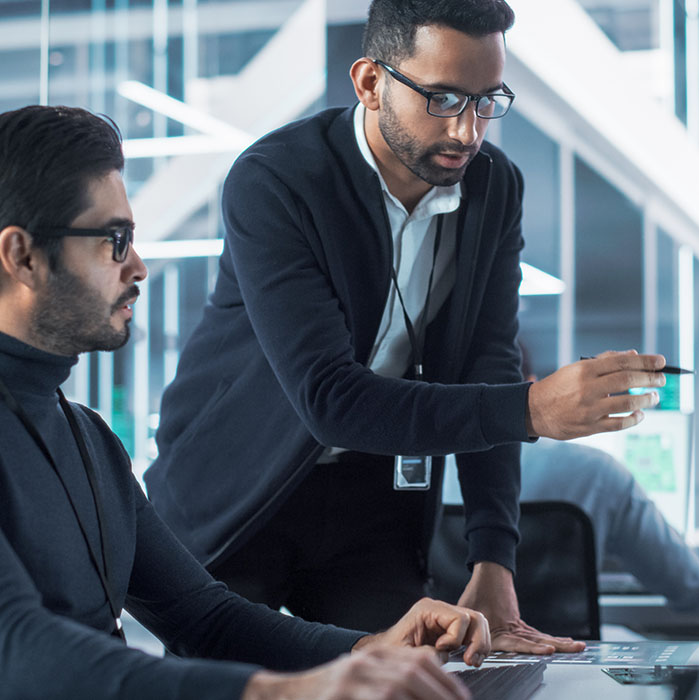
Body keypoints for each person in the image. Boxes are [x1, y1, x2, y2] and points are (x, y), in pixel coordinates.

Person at [145, 0, 665, 652]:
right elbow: (329, 400)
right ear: (370, 82)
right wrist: (533, 410)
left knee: (408, 679)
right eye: (444, 99)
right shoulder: (277, 179)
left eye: (487, 100)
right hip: (237, 494)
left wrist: (493, 560)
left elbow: (489, 363)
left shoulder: (493, 188)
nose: (469, 131)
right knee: (243, 685)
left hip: (372, 504)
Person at [0, 103, 493, 700]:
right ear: (21, 255)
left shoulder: (88, 439)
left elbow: (204, 617)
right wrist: (283, 693)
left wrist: (369, 649)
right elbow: (18, 649)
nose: (138, 266)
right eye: (115, 240)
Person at [518, 350, 699, 612]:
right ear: (536, 385)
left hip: (458, 648)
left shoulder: (438, 470)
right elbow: (688, 583)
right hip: (569, 647)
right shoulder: (597, 472)